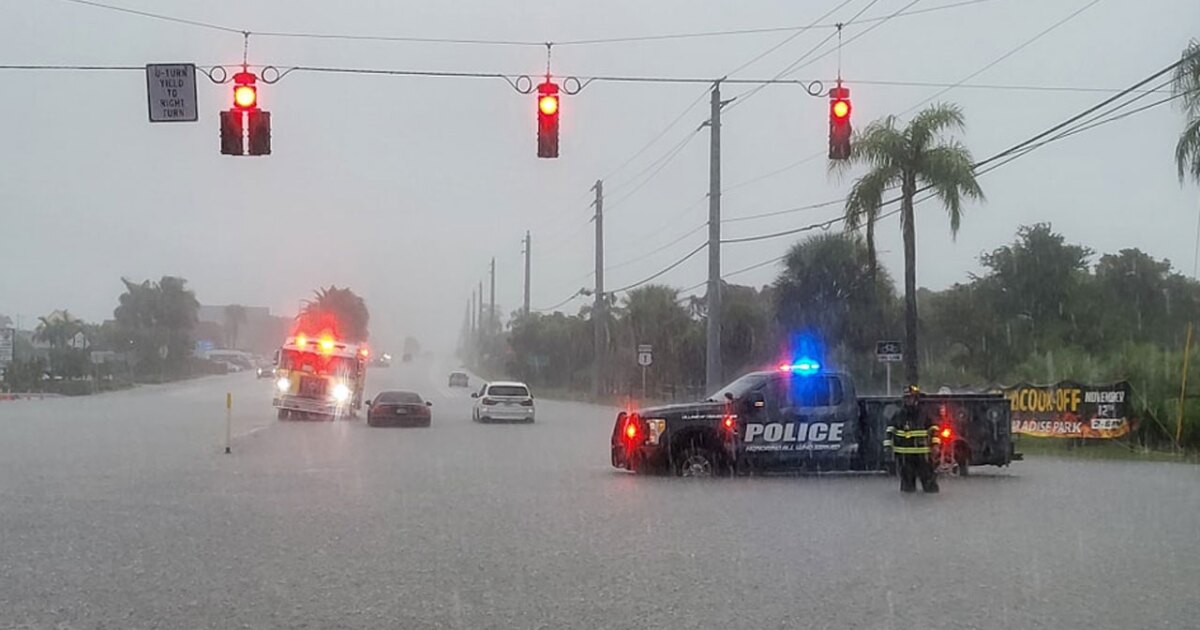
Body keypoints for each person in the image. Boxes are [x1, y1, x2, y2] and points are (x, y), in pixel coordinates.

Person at [884, 385, 940, 493]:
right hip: (905, 458)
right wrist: (888, 447)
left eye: (910, 398)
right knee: (907, 488)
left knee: (930, 487)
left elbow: (934, 430)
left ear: (916, 399)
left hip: (923, 457)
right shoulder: (899, 415)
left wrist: (935, 445)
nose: (908, 401)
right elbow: (890, 431)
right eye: (906, 398)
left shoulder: (924, 415)